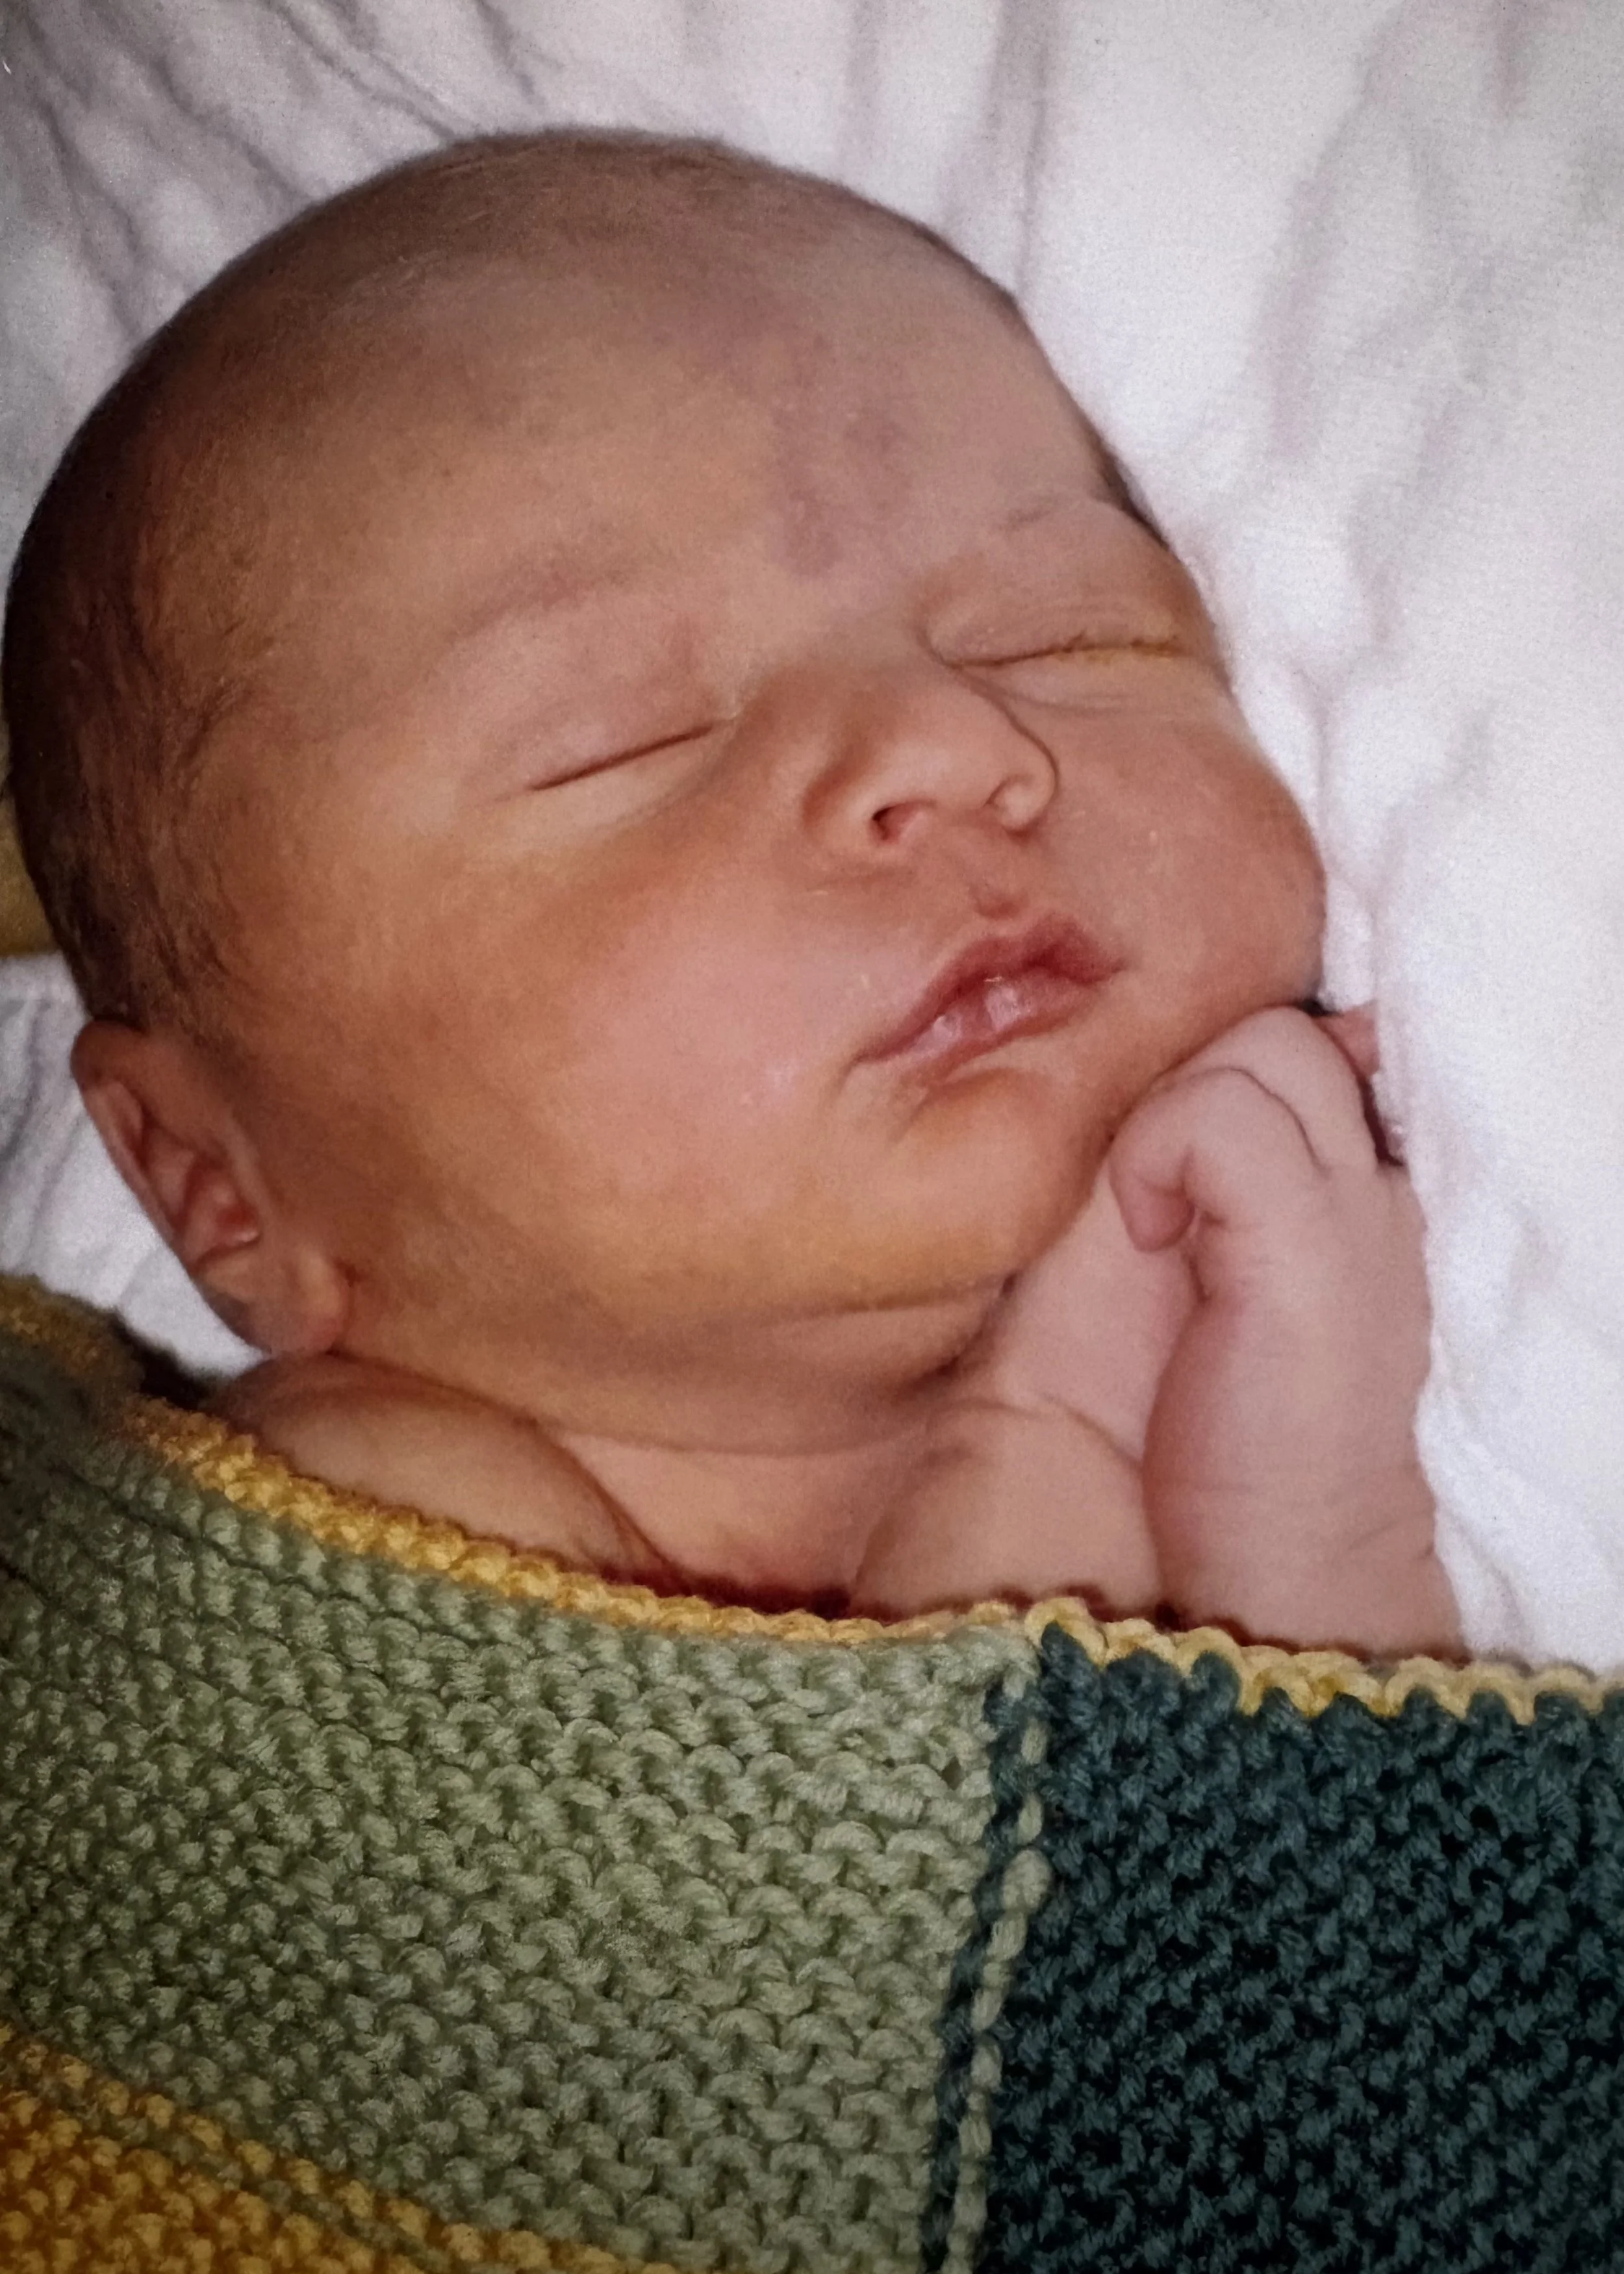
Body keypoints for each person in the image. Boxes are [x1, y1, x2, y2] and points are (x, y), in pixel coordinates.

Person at [1, 132, 1457, 1659]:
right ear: (221, 1181)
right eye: (620, 741)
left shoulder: (1409, 1353)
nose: (953, 746)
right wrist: (1080, 1576)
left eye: (1062, 633)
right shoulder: (347, 1524)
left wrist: (1310, 1556)